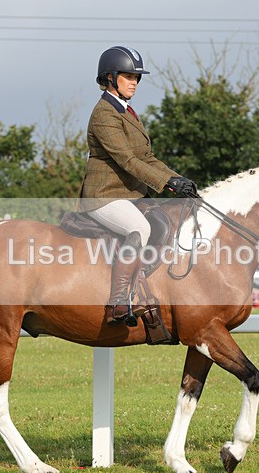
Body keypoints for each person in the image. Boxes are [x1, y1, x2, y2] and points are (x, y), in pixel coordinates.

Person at [80, 46, 197, 326]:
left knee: (168, 221)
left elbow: (147, 158)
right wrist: (166, 183)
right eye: (128, 76)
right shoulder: (104, 114)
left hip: (129, 195)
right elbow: (128, 160)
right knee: (139, 229)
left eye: (137, 77)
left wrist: (178, 179)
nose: (134, 82)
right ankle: (118, 302)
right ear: (110, 78)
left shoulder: (126, 111)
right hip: (104, 196)